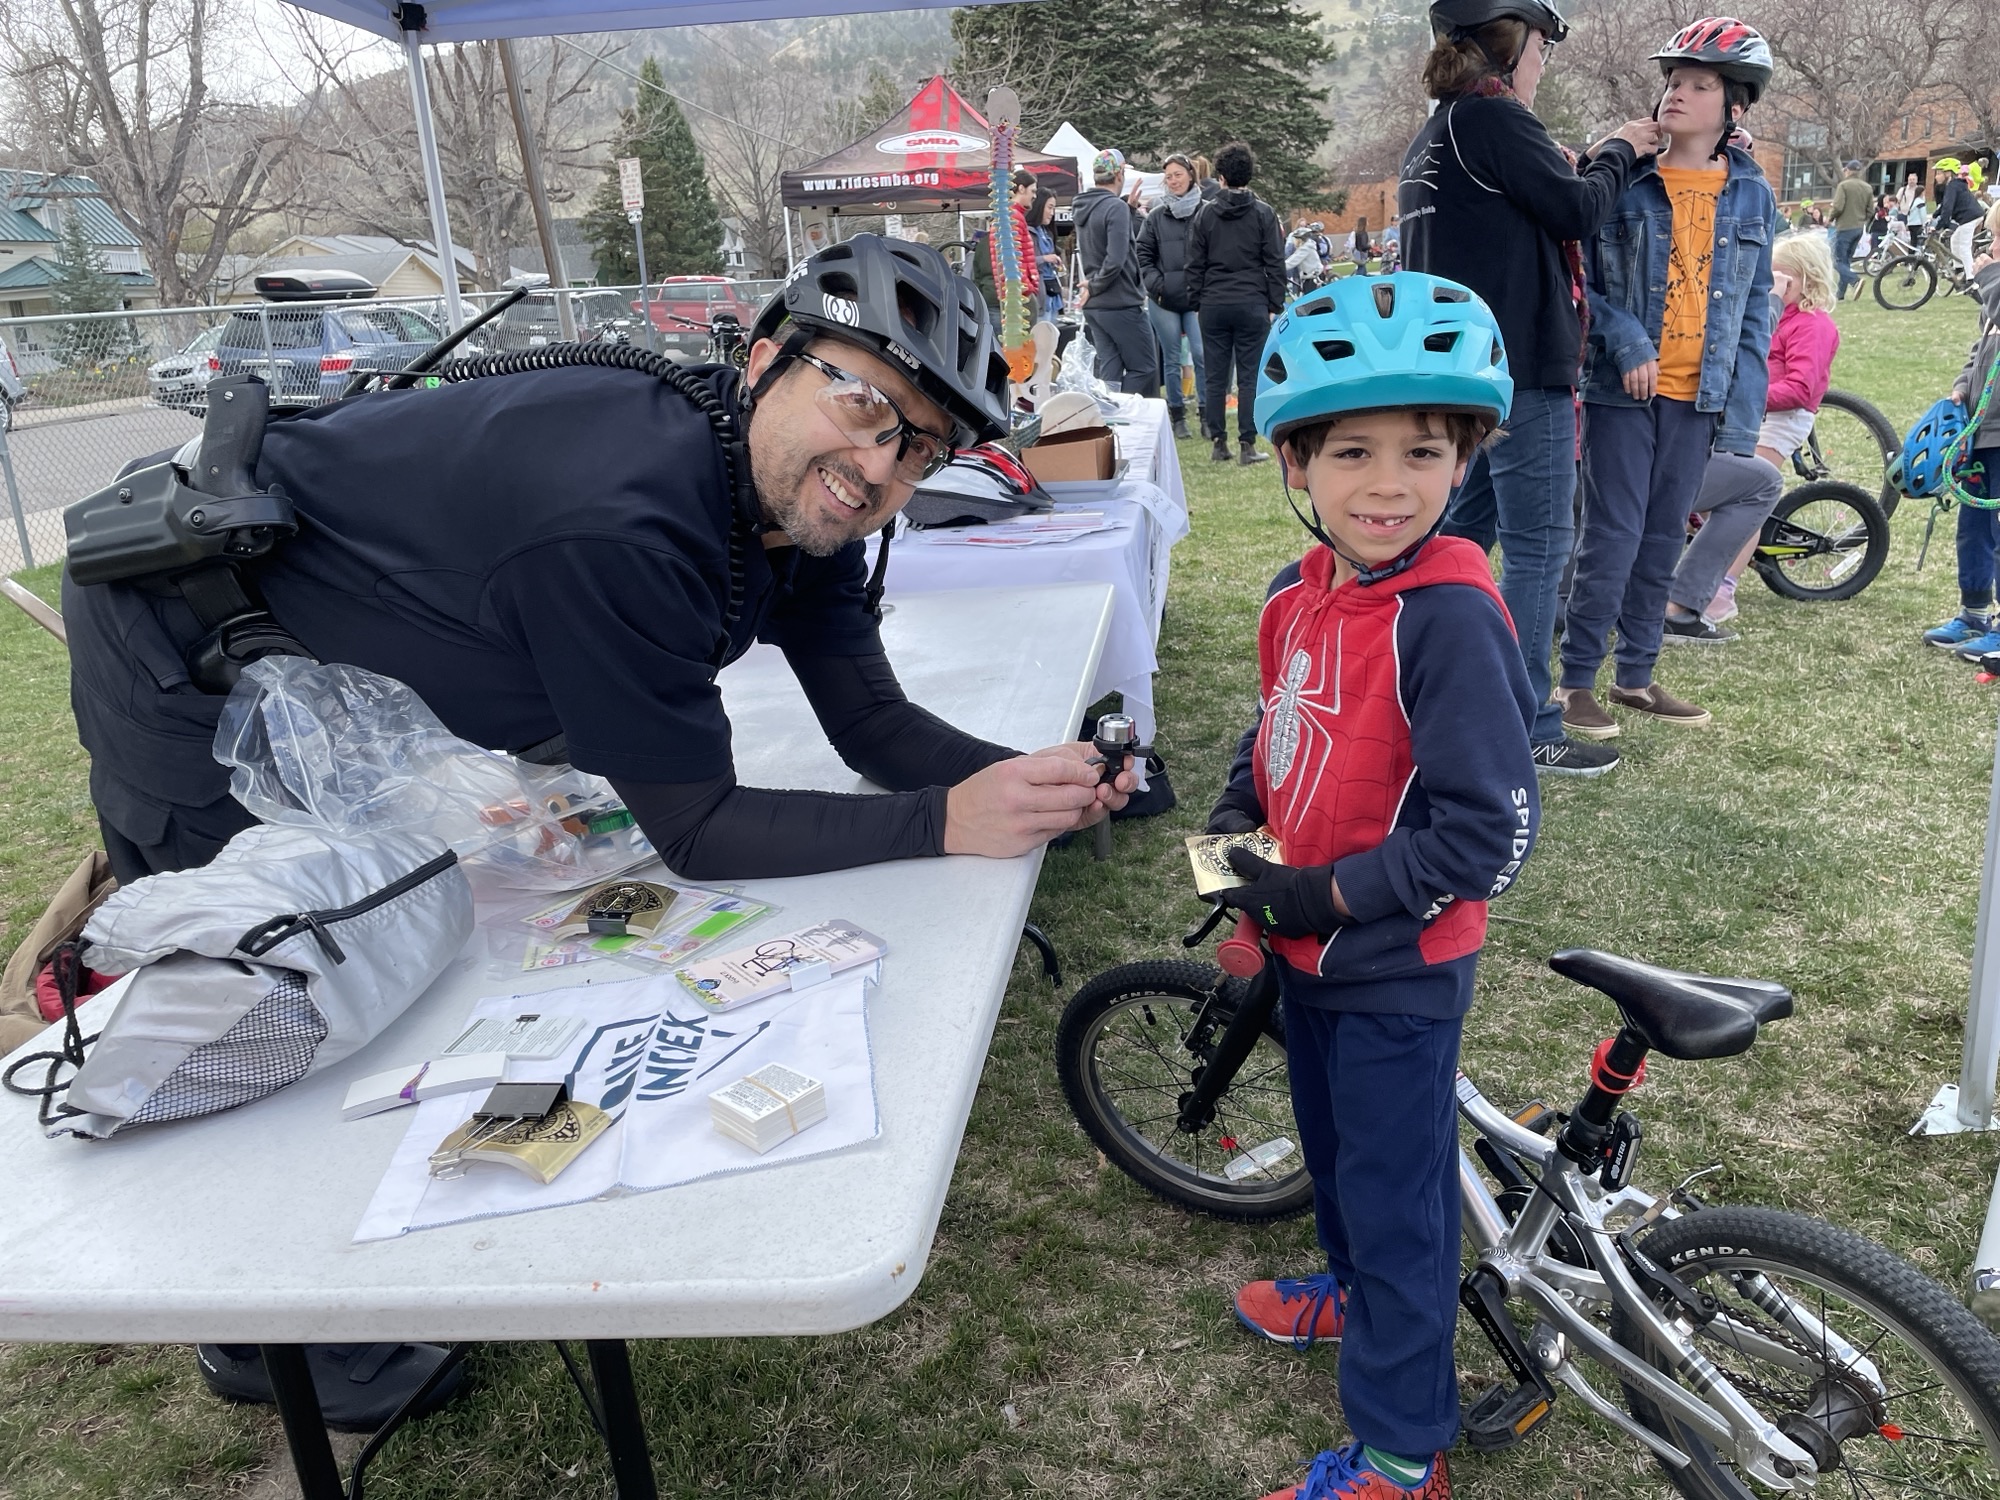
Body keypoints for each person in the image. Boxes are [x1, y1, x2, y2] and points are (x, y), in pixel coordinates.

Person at [62, 233, 1139, 1424]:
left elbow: (871, 720)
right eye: (862, 402)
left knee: (396, 922)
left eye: (917, 447)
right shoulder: (626, 514)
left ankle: (325, 1269)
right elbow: (697, 827)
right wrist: (944, 822)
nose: (875, 464)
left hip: (362, 646)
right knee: (256, 973)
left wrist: (1026, 778)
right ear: (769, 358)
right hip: (182, 626)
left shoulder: (798, 505)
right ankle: (259, 1341)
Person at [1207, 271, 1537, 1500]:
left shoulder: (1447, 616)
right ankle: (1345, 1298)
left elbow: (1486, 836)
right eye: (1350, 451)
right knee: (1338, 1161)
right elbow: (1278, 727)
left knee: (1402, 1210)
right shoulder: (1296, 596)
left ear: (1462, 460)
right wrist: (1238, 806)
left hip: (1396, 970)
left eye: (1421, 449)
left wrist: (1320, 899)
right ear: (1296, 463)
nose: (1386, 483)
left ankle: (1403, 1451)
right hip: (1309, 961)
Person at [1399, 0, 1659, 779]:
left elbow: (1525, 209)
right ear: (1512, 49)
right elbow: (1575, 211)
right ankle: (1528, 722)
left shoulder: (1437, 131)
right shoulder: (1494, 118)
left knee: (1455, 543)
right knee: (1540, 547)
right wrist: (1617, 148)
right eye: (1544, 49)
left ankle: (1408, 679)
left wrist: (1584, 161)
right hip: (1516, 371)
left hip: (1460, 373)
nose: (1546, 66)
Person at [1557, 17, 1778, 740]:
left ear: (1734, 106)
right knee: (1612, 537)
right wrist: (1624, 342)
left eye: (1699, 84)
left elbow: (1751, 315)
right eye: (1674, 80)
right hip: (1623, 391)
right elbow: (1583, 274)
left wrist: (1740, 419)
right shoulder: (1623, 176)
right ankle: (1577, 681)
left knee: (1661, 538)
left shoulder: (1752, 193)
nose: (1677, 93)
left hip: (1699, 399)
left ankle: (1637, 677)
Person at [1665, 231, 1841, 641]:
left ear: (1805, 280)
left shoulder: (1813, 325)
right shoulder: (1777, 316)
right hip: (1756, 412)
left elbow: (1799, 388)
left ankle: (1721, 588)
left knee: (1747, 495)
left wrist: (1746, 397)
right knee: (1725, 498)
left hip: (1781, 417)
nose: (1772, 285)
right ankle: (1707, 572)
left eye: (1781, 278)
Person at [1923, 205, 2000, 658]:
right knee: (1974, 526)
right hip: (1982, 428)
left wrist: (1991, 280)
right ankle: (1974, 610)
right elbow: (1984, 344)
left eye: (1996, 237)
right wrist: (1962, 383)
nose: (1990, 248)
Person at [1189, 139, 1287, 466]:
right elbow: (1275, 261)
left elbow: (1194, 263)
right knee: (1249, 376)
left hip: (1214, 303)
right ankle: (1247, 442)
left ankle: (1218, 440)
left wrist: (1196, 301)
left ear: (1220, 176)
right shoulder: (1263, 213)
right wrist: (1274, 302)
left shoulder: (1205, 215)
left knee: (1216, 375)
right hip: (1251, 302)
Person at [1071, 147, 1161, 396]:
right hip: (1120, 302)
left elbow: (1102, 246)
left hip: (1096, 307)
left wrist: (1129, 210)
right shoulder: (1114, 208)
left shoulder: (1084, 206)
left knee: (1110, 369)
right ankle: (1129, 420)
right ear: (1119, 174)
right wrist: (1096, 285)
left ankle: (1108, 421)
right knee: (1143, 368)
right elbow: (1115, 259)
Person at [1137, 152, 1210, 439]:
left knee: (1202, 355)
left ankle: (1206, 412)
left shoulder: (1206, 211)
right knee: (1171, 359)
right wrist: (1157, 283)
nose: (1174, 180)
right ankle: (1177, 414)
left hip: (1198, 299)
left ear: (1190, 175)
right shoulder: (1156, 215)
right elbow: (1143, 253)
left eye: (1178, 174)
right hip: (1164, 299)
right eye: (1168, 176)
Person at [1934, 157, 1984, 282]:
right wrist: (1935, 215)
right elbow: (1946, 205)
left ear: (1948, 173)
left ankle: (1971, 278)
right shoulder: (1954, 185)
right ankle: (1959, 269)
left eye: (1939, 173)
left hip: (1970, 217)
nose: (1936, 177)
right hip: (1972, 216)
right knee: (1954, 239)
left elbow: (1948, 209)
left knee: (1964, 247)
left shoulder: (1952, 186)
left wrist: (1939, 225)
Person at [1828, 159, 1871, 301]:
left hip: (1844, 227)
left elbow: (1838, 206)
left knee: (1837, 261)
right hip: (1859, 228)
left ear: (1848, 170)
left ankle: (1855, 280)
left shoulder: (1844, 186)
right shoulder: (1867, 188)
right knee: (1846, 261)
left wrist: (1830, 217)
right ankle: (1840, 294)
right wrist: (1861, 220)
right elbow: (1871, 211)